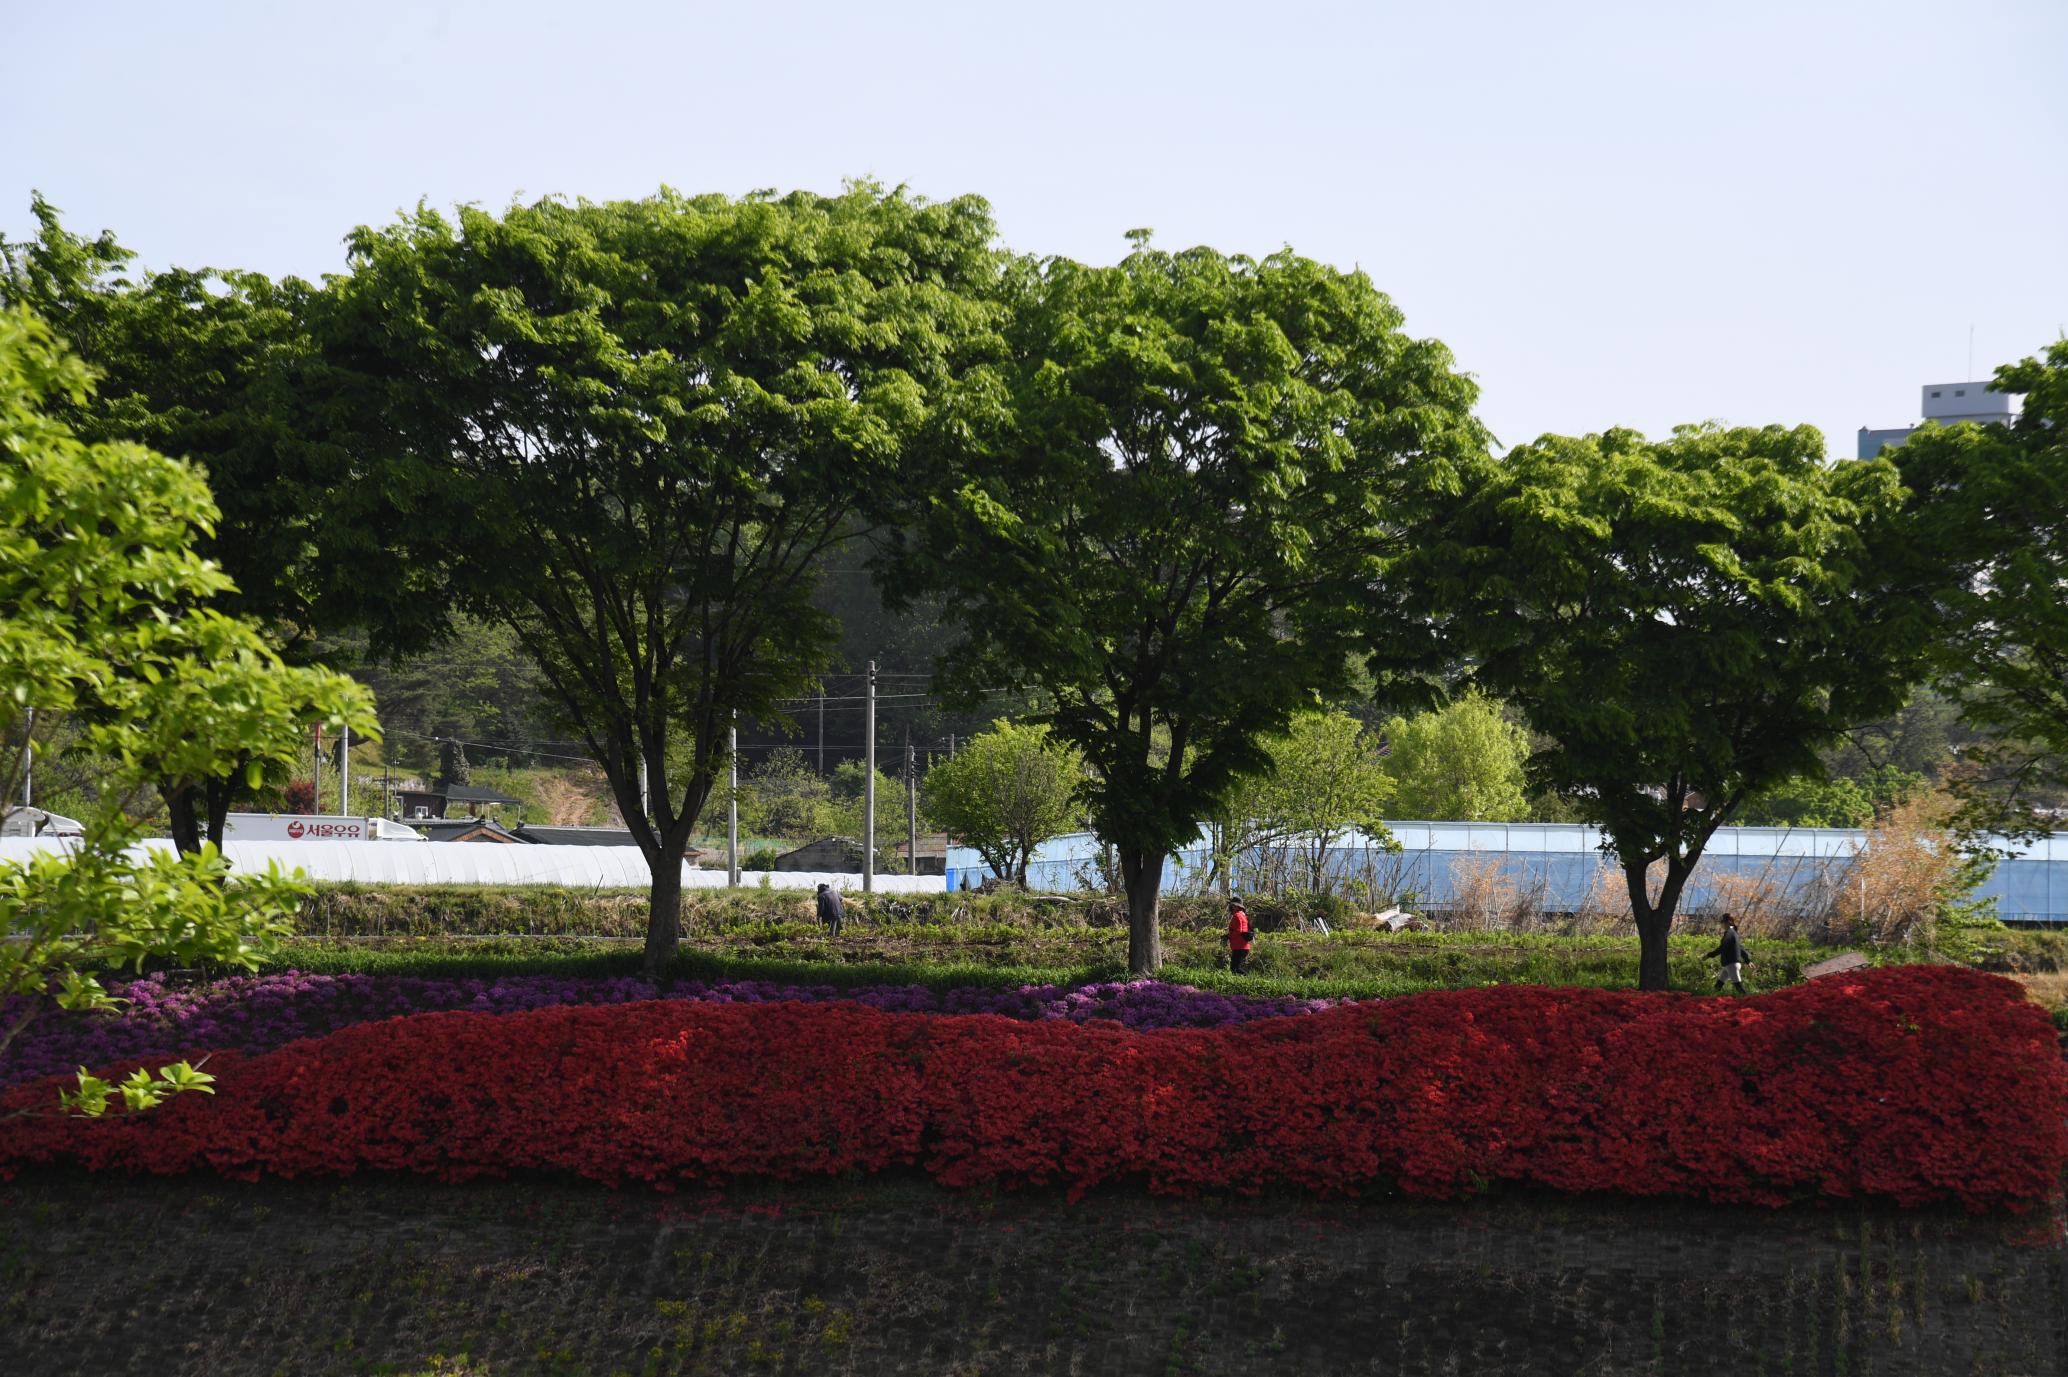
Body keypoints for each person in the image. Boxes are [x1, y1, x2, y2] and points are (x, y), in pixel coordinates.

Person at [1704, 916, 1751, 992]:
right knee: (1718, 987)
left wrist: (1709, 955)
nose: (1722, 924)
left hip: (1731, 964)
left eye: (1722, 922)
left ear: (1727, 922)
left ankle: (1751, 999)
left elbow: (1723, 947)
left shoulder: (1729, 933)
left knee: (1739, 988)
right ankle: (1716, 999)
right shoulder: (1734, 934)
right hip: (1728, 965)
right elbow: (1741, 948)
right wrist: (1748, 961)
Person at [1227, 897, 1254, 975]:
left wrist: (1228, 936)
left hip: (1240, 946)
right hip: (1242, 946)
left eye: (1232, 905)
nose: (1231, 907)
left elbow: (1238, 930)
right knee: (1235, 968)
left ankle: (1249, 980)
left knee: (1235, 968)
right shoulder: (1242, 915)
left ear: (1235, 905)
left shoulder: (1237, 916)